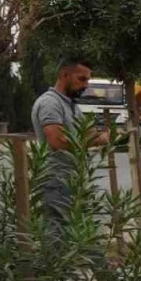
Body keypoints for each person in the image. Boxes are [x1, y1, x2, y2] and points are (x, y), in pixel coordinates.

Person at [31, 57, 110, 222]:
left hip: (73, 179)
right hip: (57, 180)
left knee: (79, 233)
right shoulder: (50, 103)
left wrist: (103, 135)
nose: (86, 85)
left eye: (88, 80)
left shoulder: (70, 105)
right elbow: (58, 142)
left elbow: (88, 131)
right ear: (64, 75)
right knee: (58, 232)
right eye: (81, 79)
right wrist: (98, 139)